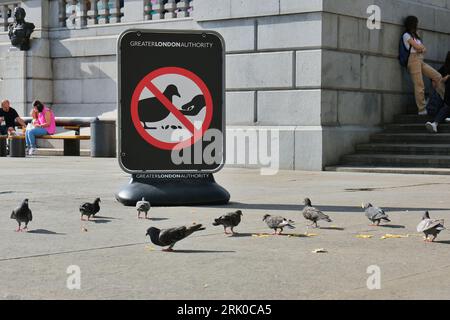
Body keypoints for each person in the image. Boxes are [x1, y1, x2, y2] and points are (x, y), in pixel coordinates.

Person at [402, 16, 446, 115]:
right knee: (419, 85)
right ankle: (421, 109)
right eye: (416, 23)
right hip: (413, 60)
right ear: (412, 24)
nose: (417, 25)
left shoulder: (415, 36)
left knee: (438, 76)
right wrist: (420, 48)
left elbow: (423, 49)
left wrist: (420, 48)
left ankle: (445, 101)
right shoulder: (406, 35)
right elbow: (418, 47)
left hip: (420, 59)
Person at [425, 52, 450, 133]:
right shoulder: (446, 67)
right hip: (447, 95)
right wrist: (434, 81)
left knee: (447, 107)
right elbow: (436, 75)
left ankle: (435, 123)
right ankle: (434, 124)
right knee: (447, 107)